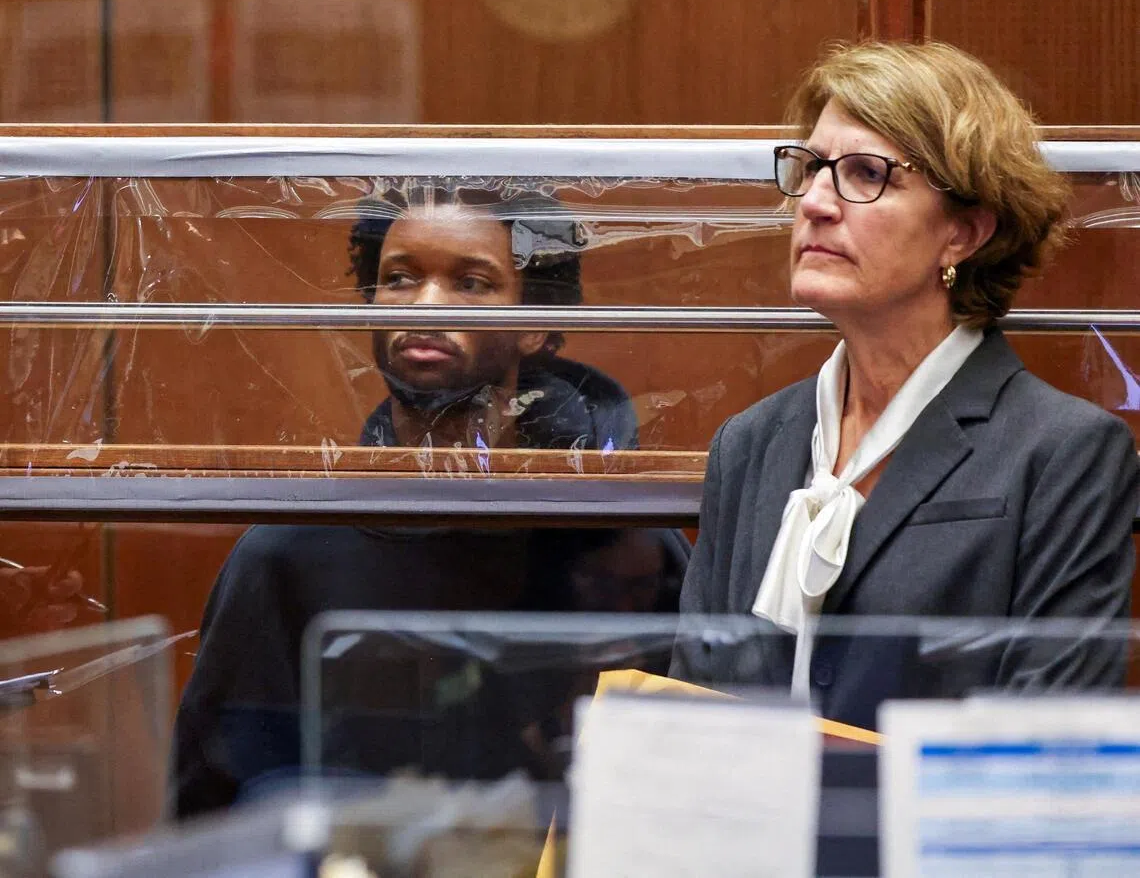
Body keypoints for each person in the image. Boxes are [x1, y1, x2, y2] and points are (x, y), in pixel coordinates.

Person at [173, 181, 687, 816]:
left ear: (536, 325)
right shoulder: (291, 548)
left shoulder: (625, 539)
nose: (427, 305)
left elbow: (687, 788)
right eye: (399, 278)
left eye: (471, 283)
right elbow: (219, 811)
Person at [672, 40, 1139, 728]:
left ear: (964, 234)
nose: (817, 203)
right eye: (810, 168)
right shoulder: (751, 444)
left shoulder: (1064, 454)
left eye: (865, 174)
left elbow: (1049, 736)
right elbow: (695, 710)